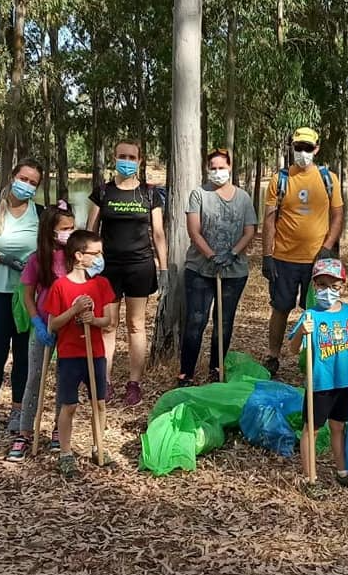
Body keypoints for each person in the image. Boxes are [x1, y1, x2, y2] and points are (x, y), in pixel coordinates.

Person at [87, 141, 167, 407]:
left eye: (132, 157)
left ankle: (134, 383)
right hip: (108, 268)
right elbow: (91, 230)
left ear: (140, 161)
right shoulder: (102, 192)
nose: (127, 161)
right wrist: (87, 264)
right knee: (108, 325)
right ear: (114, 158)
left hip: (140, 266)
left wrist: (164, 268)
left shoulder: (149, 194)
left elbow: (158, 233)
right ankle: (105, 380)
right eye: (122, 156)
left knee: (136, 325)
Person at [262, 127, 344, 377]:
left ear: (316, 149)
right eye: (299, 147)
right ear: (292, 147)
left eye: (308, 148)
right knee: (280, 307)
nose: (303, 152)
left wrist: (327, 247)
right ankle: (273, 356)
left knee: (319, 309)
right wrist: (267, 255)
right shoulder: (280, 179)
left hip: (317, 261)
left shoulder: (328, 179)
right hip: (284, 258)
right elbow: (269, 219)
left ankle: (318, 358)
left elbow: (338, 215)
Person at [0, 158, 45, 435]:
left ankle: (17, 411)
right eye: (23, 179)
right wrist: (2, 258)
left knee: (24, 356)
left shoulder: (40, 214)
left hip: (28, 295)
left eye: (33, 183)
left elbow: (50, 248)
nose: (26, 185)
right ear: (13, 176)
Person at [287, 258, 348, 490]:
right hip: (320, 384)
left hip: (343, 383)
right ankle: (310, 477)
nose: (327, 291)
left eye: (334, 286)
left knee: (338, 427)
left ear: (342, 286)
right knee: (311, 430)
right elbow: (294, 349)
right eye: (322, 285)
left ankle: (342, 471)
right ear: (314, 286)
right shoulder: (311, 316)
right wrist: (301, 332)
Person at [178, 149, 258, 386]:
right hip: (200, 270)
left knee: (223, 322)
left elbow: (249, 230)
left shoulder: (243, 198)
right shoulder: (199, 194)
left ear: (230, 167)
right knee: (196, 321)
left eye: (221, 167)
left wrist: (232, 253)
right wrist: (211, 256)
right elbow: (194, 231)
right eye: (213, 168)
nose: (217, 172)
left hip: (234, 272)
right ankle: (186, 373)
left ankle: (216, 368)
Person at [6, 202, 75, 461]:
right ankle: (25, 432)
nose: (69, 233)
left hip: (69, 327)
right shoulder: (38, 259)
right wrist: (36, 321)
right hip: (44, 325)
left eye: (72, 227)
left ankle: (59, 429)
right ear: (50, 231)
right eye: (64, 229)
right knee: (34, 377)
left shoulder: (75, 257)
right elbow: (27, 294)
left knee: (64, 379)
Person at [45, 230, 116, 478]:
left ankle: (99, 447)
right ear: (78, 256)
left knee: (99, 402)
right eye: (95, 253)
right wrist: (74, 310)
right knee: (70, 405)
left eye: (101, 253)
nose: (100, 258)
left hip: (95, 354)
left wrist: (93, 320)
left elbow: (109, 320)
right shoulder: (60, 286)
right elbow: (53, 324)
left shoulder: (101, 284)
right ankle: (65, 453)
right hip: (70, 355)